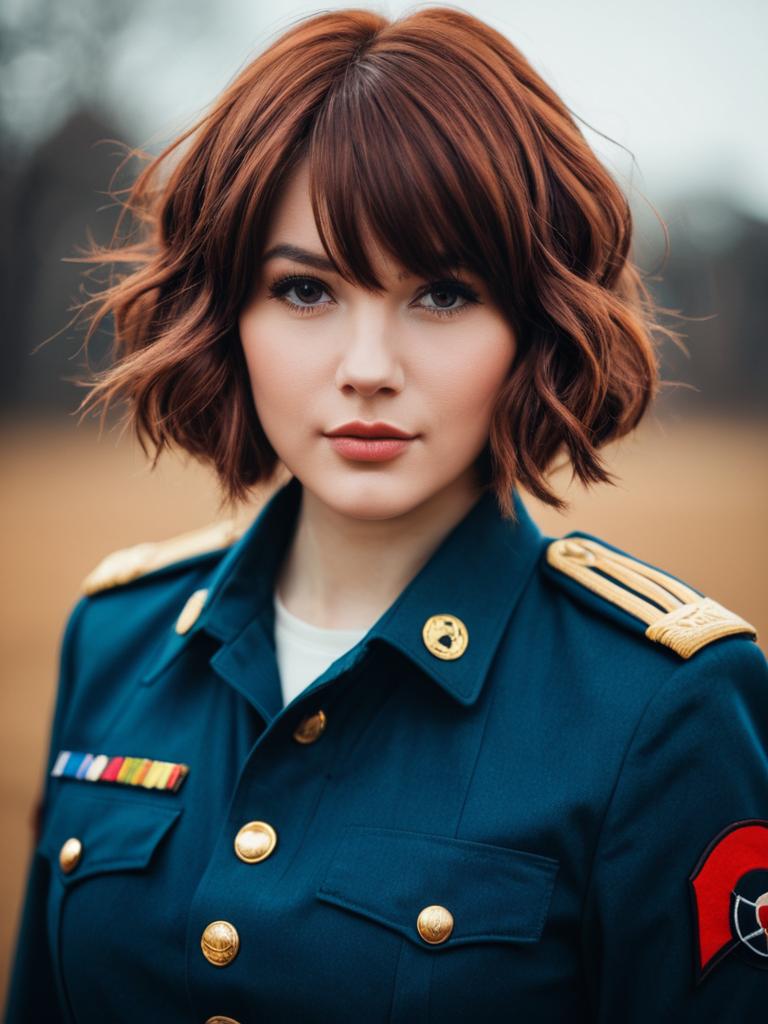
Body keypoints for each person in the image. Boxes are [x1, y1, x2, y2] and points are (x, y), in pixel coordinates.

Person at [5, 7, 767, 1023]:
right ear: (225, 312)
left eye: (442, 294)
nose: (367, 368)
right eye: (305, 289)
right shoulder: (115, 636)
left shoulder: (663, 705)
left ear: (535, 321)